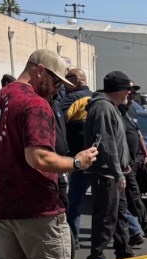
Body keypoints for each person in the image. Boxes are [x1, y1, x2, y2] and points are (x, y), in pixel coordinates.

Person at [0, 49, 98, 259]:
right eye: (57, 81)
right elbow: (38, 157)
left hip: (2, 206)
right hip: (36, 208)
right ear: (40, 71)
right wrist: (77, 162)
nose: (58, 89)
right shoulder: (35, 104)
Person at [82, 70, 134, 259]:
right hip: (106, 175)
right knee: (106, 218)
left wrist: (122, 169)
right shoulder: (103, 108)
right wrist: (117, 173)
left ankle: (124, 253)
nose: (129, 93)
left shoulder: (111, 107)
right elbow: (106, 144)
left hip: (114, 174)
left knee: (119, 216)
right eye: (127, 89)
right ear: (119, 90)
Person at [119, 84, 147, 244]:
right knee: (127, 196)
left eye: (135, 92)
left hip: (130, 162)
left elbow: (138, 134)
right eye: (130, 91)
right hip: (121, 163)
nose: (132, 94)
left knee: (129, 196)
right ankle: (140, 226)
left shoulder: (131, 111)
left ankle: (137, 227)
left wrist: (146, 155)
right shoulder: (117, 110)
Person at [62, 67, 94, 241]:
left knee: (74, 200)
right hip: (99, 157)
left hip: (80, 159)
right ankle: (134, 229)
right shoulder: (96, 98)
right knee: (110, 201)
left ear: (76, 80)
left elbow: (58, 120)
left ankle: (72, 238)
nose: (64, 82)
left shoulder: (73, 98)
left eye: (67, 78)